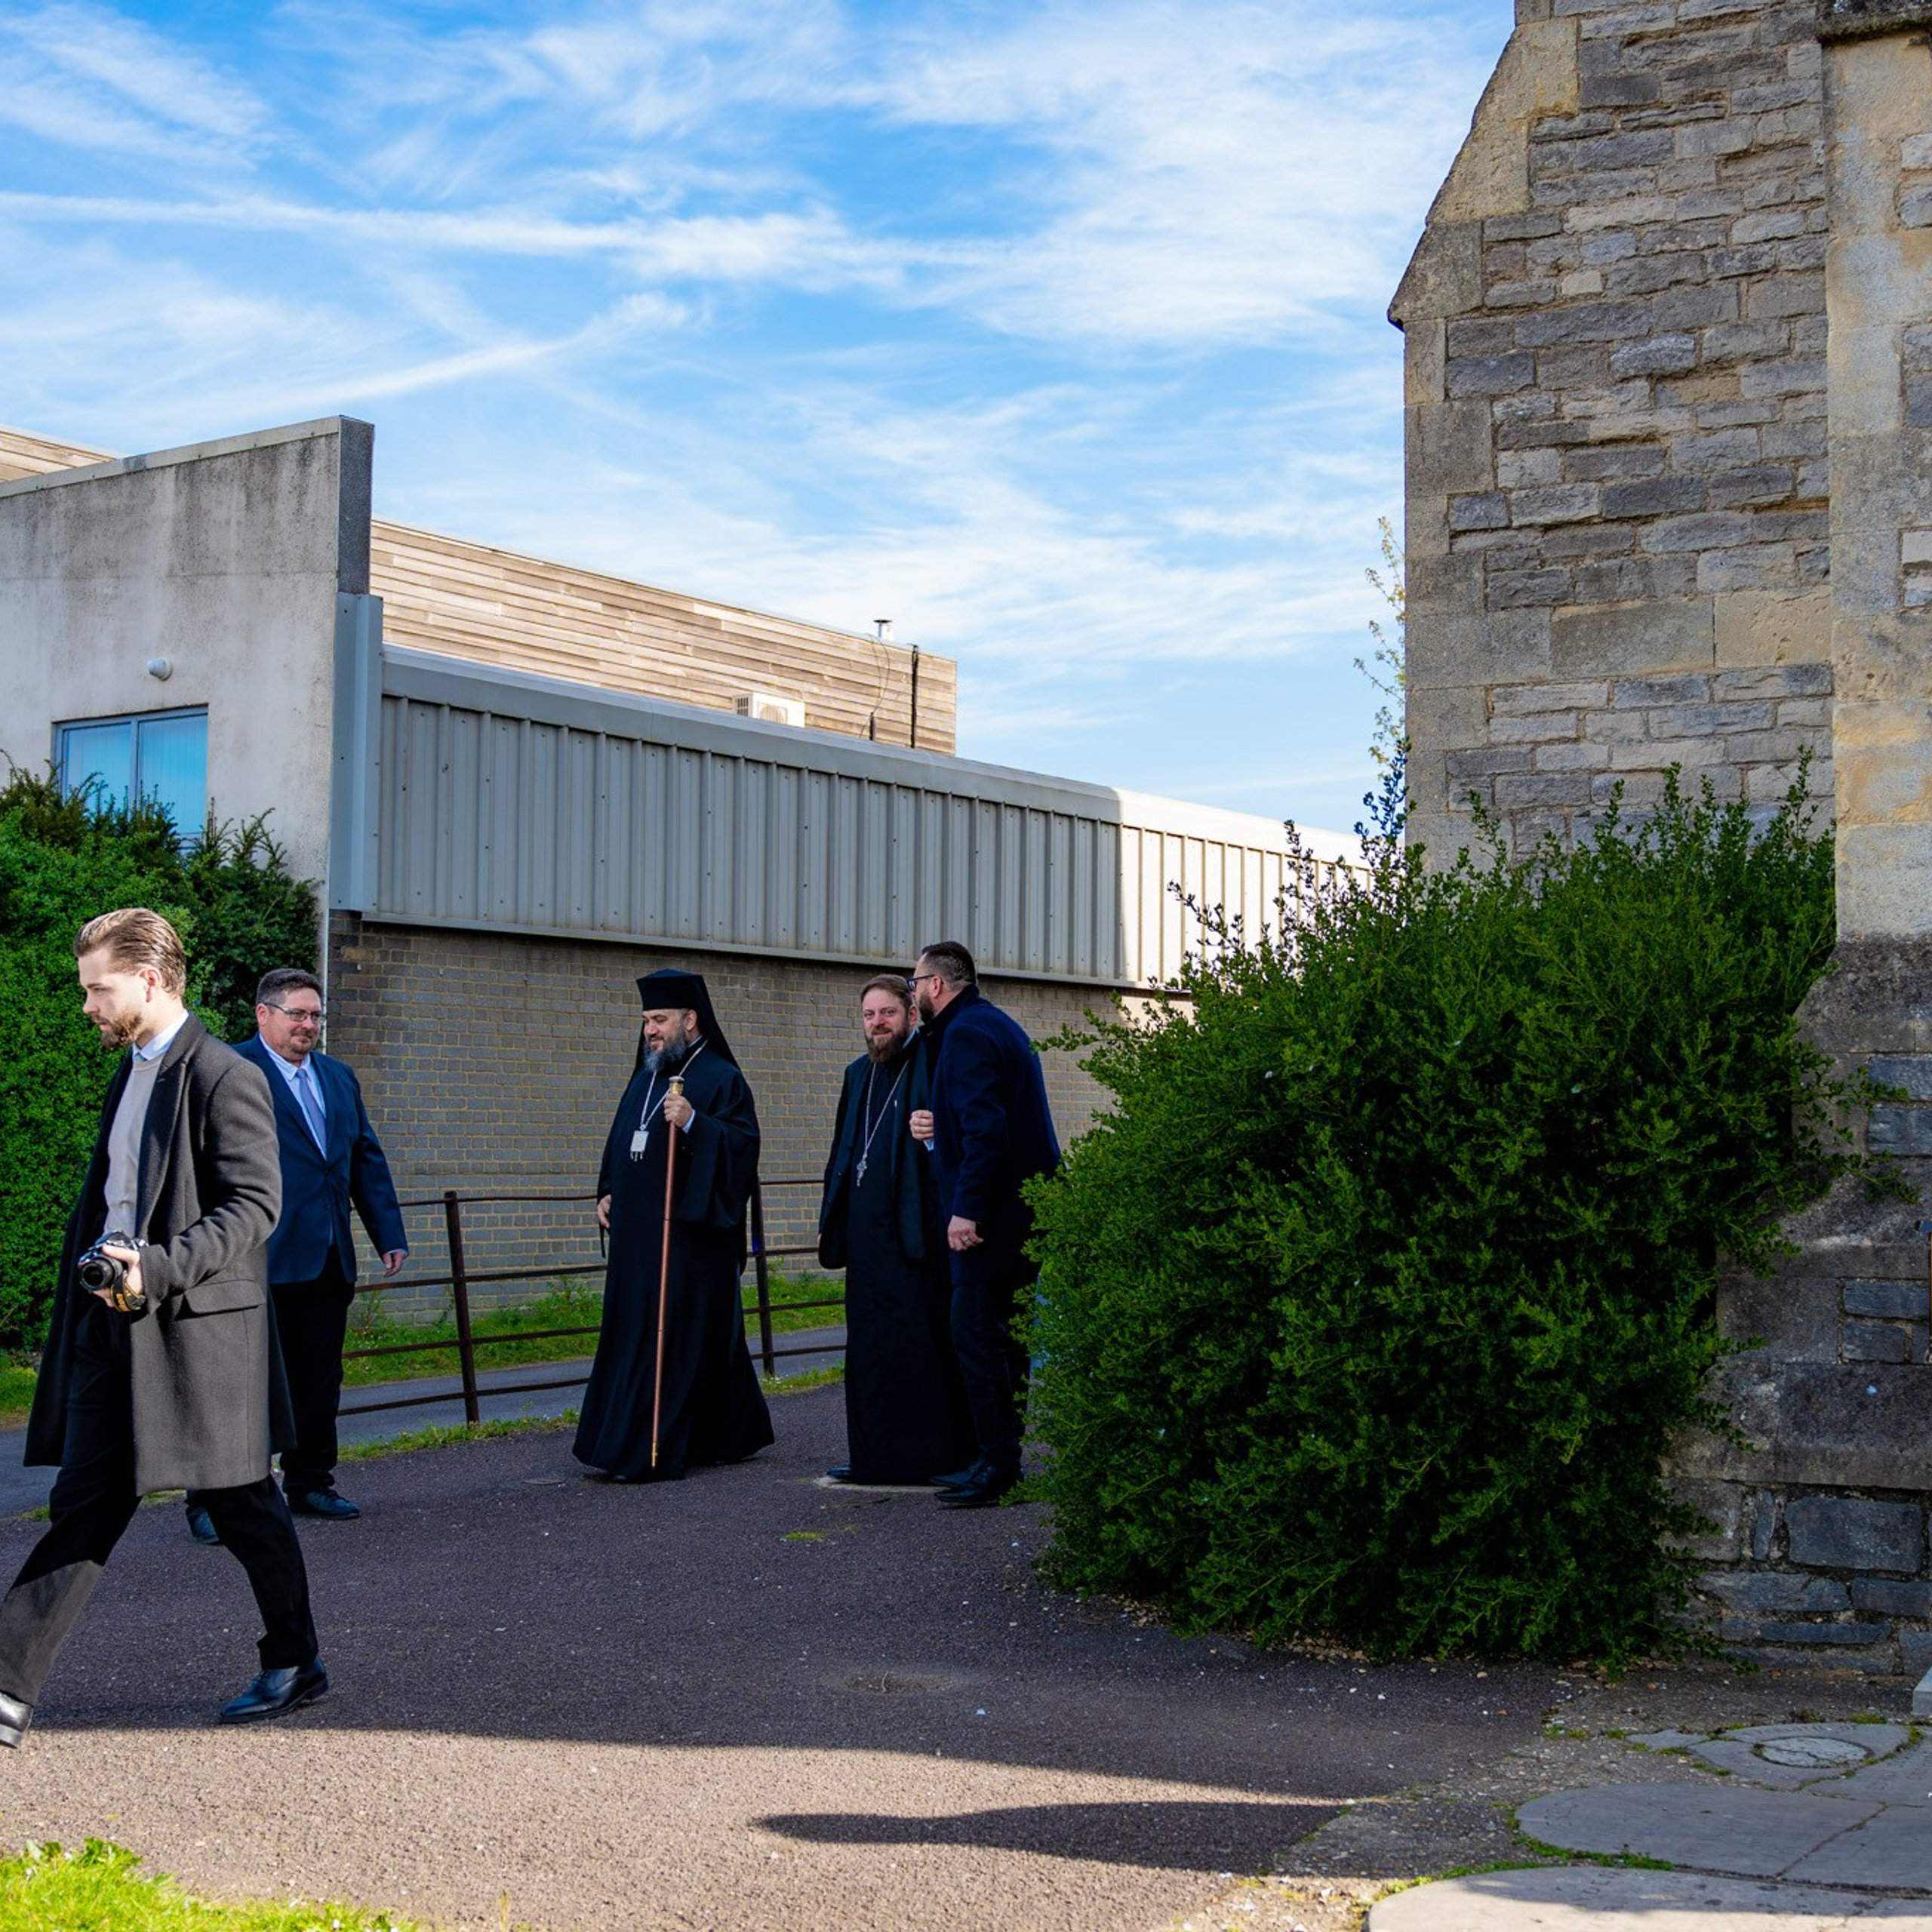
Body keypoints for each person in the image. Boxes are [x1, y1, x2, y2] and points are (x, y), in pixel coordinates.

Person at [0, 908, 326, 1748]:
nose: (87, 1006)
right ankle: (5, 1690)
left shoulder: (223, 1074)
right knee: (82, 1504)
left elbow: (256, 1207)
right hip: (114, 1328)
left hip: (196, 1333)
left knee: (241, 1500)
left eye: (97, 989)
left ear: (149, 979)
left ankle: (296, 1660)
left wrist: (159, 1266)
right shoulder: (134, 1070)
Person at [183, 968, 407, 1539]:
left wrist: (389, 1234)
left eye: (315, 1016)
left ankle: (309, 1483)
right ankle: (214, 1502)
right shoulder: (224, 1070)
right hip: (249, 1260)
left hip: (326, 1256)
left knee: (317, 1380)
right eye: (297, 1014)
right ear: (263, 1015)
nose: (308, 1025)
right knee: (235, 1384)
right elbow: (197, 1165)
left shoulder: (338, 1077)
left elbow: (363, 1157)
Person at [574, 968, 774, 1482]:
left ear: (691, 1019)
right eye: (645, 1020)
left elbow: (742, 1150)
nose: (650, 1030)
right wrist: (607, 1190)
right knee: (641, 1334)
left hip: (689, 1239)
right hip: (638, 1239)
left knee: (676, 1339)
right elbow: (624, 1140)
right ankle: (719, 1434)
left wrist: (693, 1124)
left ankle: (649, 1449)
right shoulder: (645, 1076)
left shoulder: (721, 1078)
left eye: (659, 1019)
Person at [909, 940, 1061, 1509]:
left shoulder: (967, 1035)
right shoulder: (992, 1025)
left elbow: (988, 1133)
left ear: (938, 985)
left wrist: (965, 1210)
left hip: (991, 1222)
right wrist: (935, 1129)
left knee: (978, 1339)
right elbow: (984, 1121)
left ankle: (999, 1466)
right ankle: (1000, 1458)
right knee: (1005, 1342)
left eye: (915, 982)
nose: (912, 992)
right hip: (1021, 1216)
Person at [817, 974, 974, 1486]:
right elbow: (842, 1152)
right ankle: (873, 1458)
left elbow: (959, 1137)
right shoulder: (855, 1074)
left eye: (887, 1013)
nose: (877, 1024)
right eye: (869, 1015)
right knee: (867, 1348)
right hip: (865, 1235)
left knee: (917, 1345)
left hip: (916, 1232)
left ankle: (932, 1458)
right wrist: (831, 1219)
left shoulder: (933, 1062)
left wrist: (934, 1137)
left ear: (910, 1013)